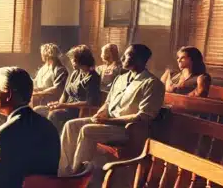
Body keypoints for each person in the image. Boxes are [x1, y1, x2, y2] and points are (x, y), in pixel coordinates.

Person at [60, 44, 165, 174]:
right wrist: (100, 113)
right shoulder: (120, 78)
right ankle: (63, 170)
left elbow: (144, 116)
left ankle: (77, 174)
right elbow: (108, 102)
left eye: (127, 55)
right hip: (108, 123)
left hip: (128, 130)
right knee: (71, 125)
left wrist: (109, 121)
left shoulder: (152, 83)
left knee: (87, 130)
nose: (122, 58)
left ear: (140, 59)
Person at [35, 45, 101, 132]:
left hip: (78, 111)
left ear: (80, 60)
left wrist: (63, 105)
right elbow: (65, 92)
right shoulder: (75, 73)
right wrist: (57, 104)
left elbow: (90, 102)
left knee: (54, 115)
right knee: (38, 110)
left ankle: (52, 141)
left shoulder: (93, 77)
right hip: (65, 107)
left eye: (72, 60)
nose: (71, 62)